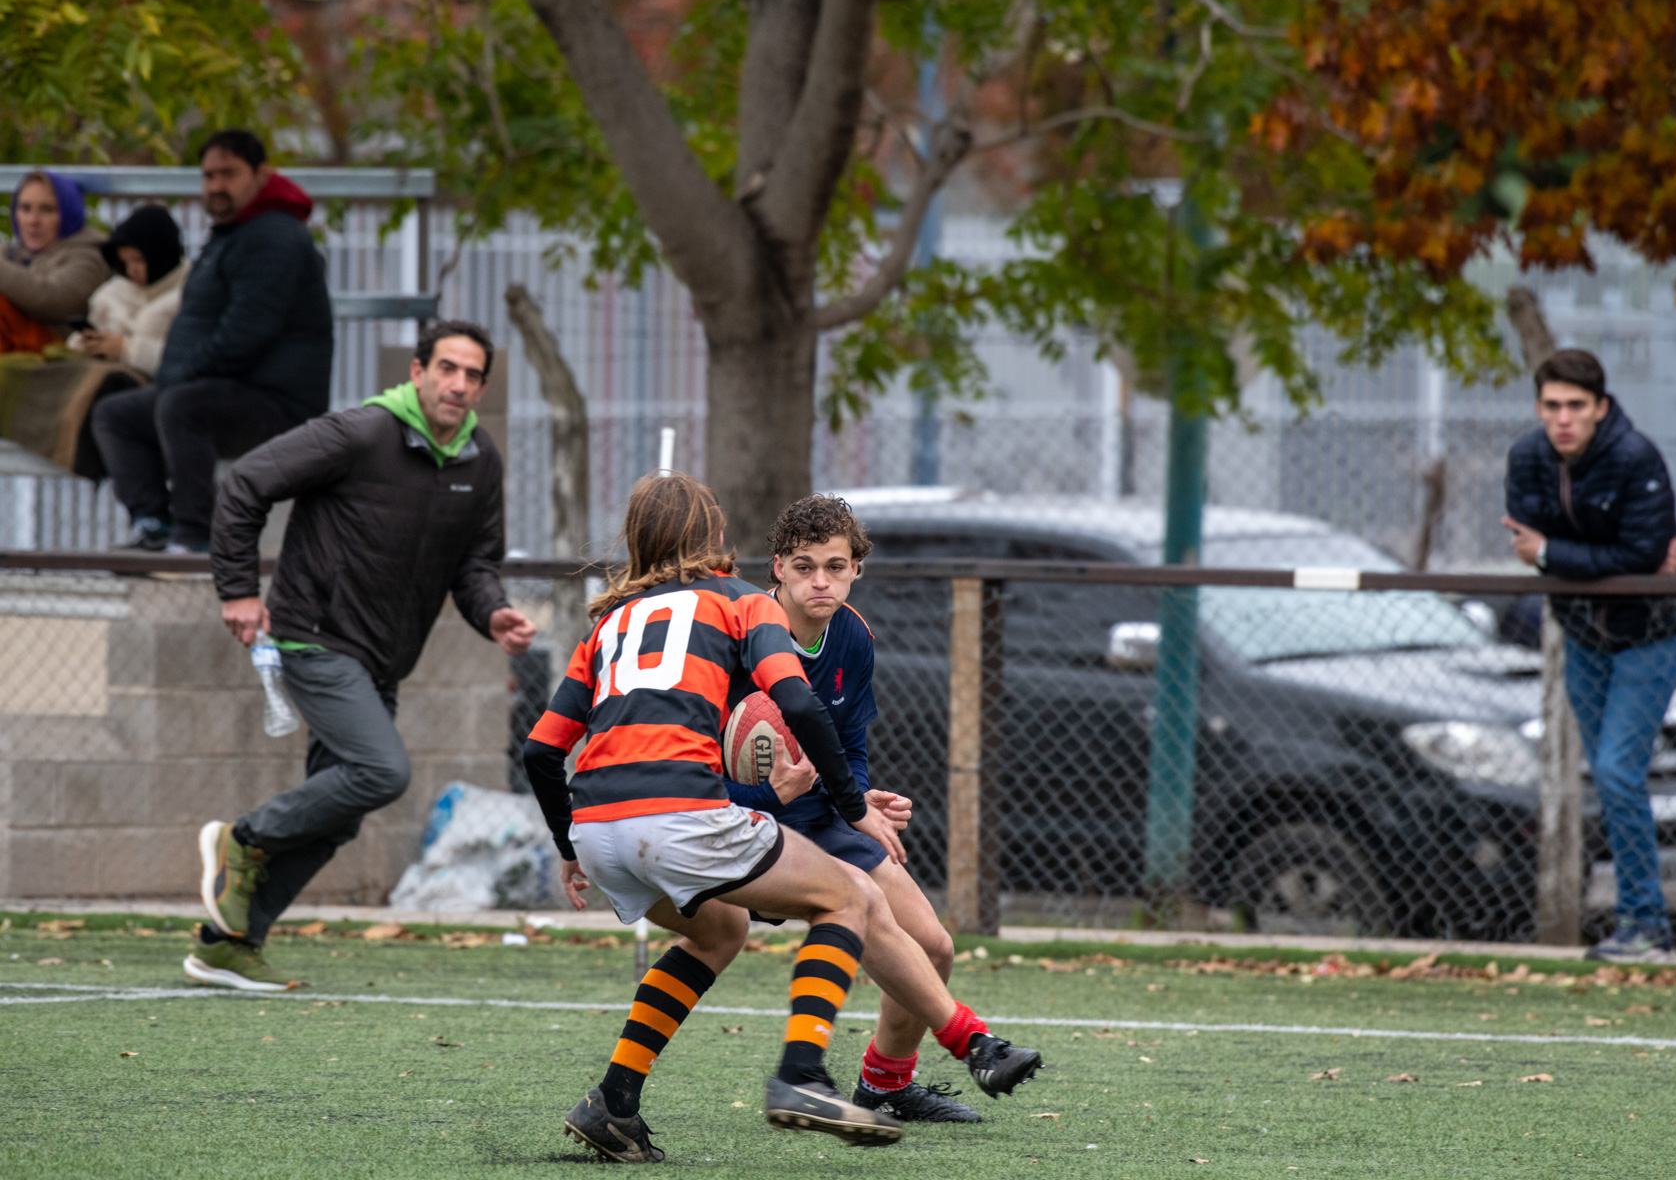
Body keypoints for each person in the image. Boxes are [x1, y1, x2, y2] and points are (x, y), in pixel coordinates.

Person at [521, 473, 1043, 1161]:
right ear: (721, 542)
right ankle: (815, 1072)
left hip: (599, 828)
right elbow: (798, 707)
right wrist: (847, 806)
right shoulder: (738, 603)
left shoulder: (608, 624)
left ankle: (614, 1102)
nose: (820, 581)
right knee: (850, 899)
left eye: (835, 566)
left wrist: (567, 844)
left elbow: (539, 750)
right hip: (690, 813)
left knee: (719, 932)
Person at [190, 319, 536, 992]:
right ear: (417, 371)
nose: (458, 384)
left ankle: (228, 944)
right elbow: (246, 485)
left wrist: (492, 610)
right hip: (313, 637)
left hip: (381, 659)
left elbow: (474, 564)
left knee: (338, 817)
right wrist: (237, 591)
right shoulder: (359, 433)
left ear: (482, 387)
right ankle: (244, 840)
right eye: (446, 368)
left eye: (472, 375)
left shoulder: (479, 461)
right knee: (383, 771)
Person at [723, 494, 984, 1124]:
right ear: (778, 567)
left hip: (822, 818)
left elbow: (851, 745)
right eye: (806, 566)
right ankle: (625, 1087)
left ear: (856, 570)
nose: (821, 581)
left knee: (935, 948)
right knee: (721, 940)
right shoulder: (740, 641)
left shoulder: (853, 636)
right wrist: (768, 795)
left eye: (835, 567)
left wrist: (857, 796)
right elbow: (698, 780)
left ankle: (886, 1087)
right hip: (743, 827)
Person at [1502, 347, 1676, 963]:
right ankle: (1635, 920)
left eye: (1576, 406)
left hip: (1652, 631)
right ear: (1539, 408)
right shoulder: (1527, 457)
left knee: (1616, 770)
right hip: (1582, 635)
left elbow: (1641, 559)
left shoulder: (1636, 457)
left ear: (1600, 408)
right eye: (1553, 406)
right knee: (1608, 776)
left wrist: (1555, 553)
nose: (1564, 418)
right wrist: (1574, 557)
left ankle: (1646, 924)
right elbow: (1523, 544)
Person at [91, 128, 333, 554]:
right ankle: (155, 525)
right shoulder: (234, 233)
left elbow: (246, 334)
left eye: (229, 174)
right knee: (115, 414)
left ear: (261, 175)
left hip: (277, 404)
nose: (216, 186)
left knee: (183, 407)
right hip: (226, 390)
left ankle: (196, 537)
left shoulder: (274, 237)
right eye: (208, 176)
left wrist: (179, 376)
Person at [69, 204, 189, 375]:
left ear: (162, 254)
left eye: (139, 260)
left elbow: (189, 360)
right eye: (125, 262)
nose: (131, 270)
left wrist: (126, 350)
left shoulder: (190, 293)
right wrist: (87, 342)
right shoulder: (111, 294)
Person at [0, 170, 109, 352]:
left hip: (58, 349)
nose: (33, 220)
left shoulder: (89, 254)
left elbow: (54, 298)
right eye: (25, 208)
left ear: (68, 213)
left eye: (47, 209)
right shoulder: (13, 252)